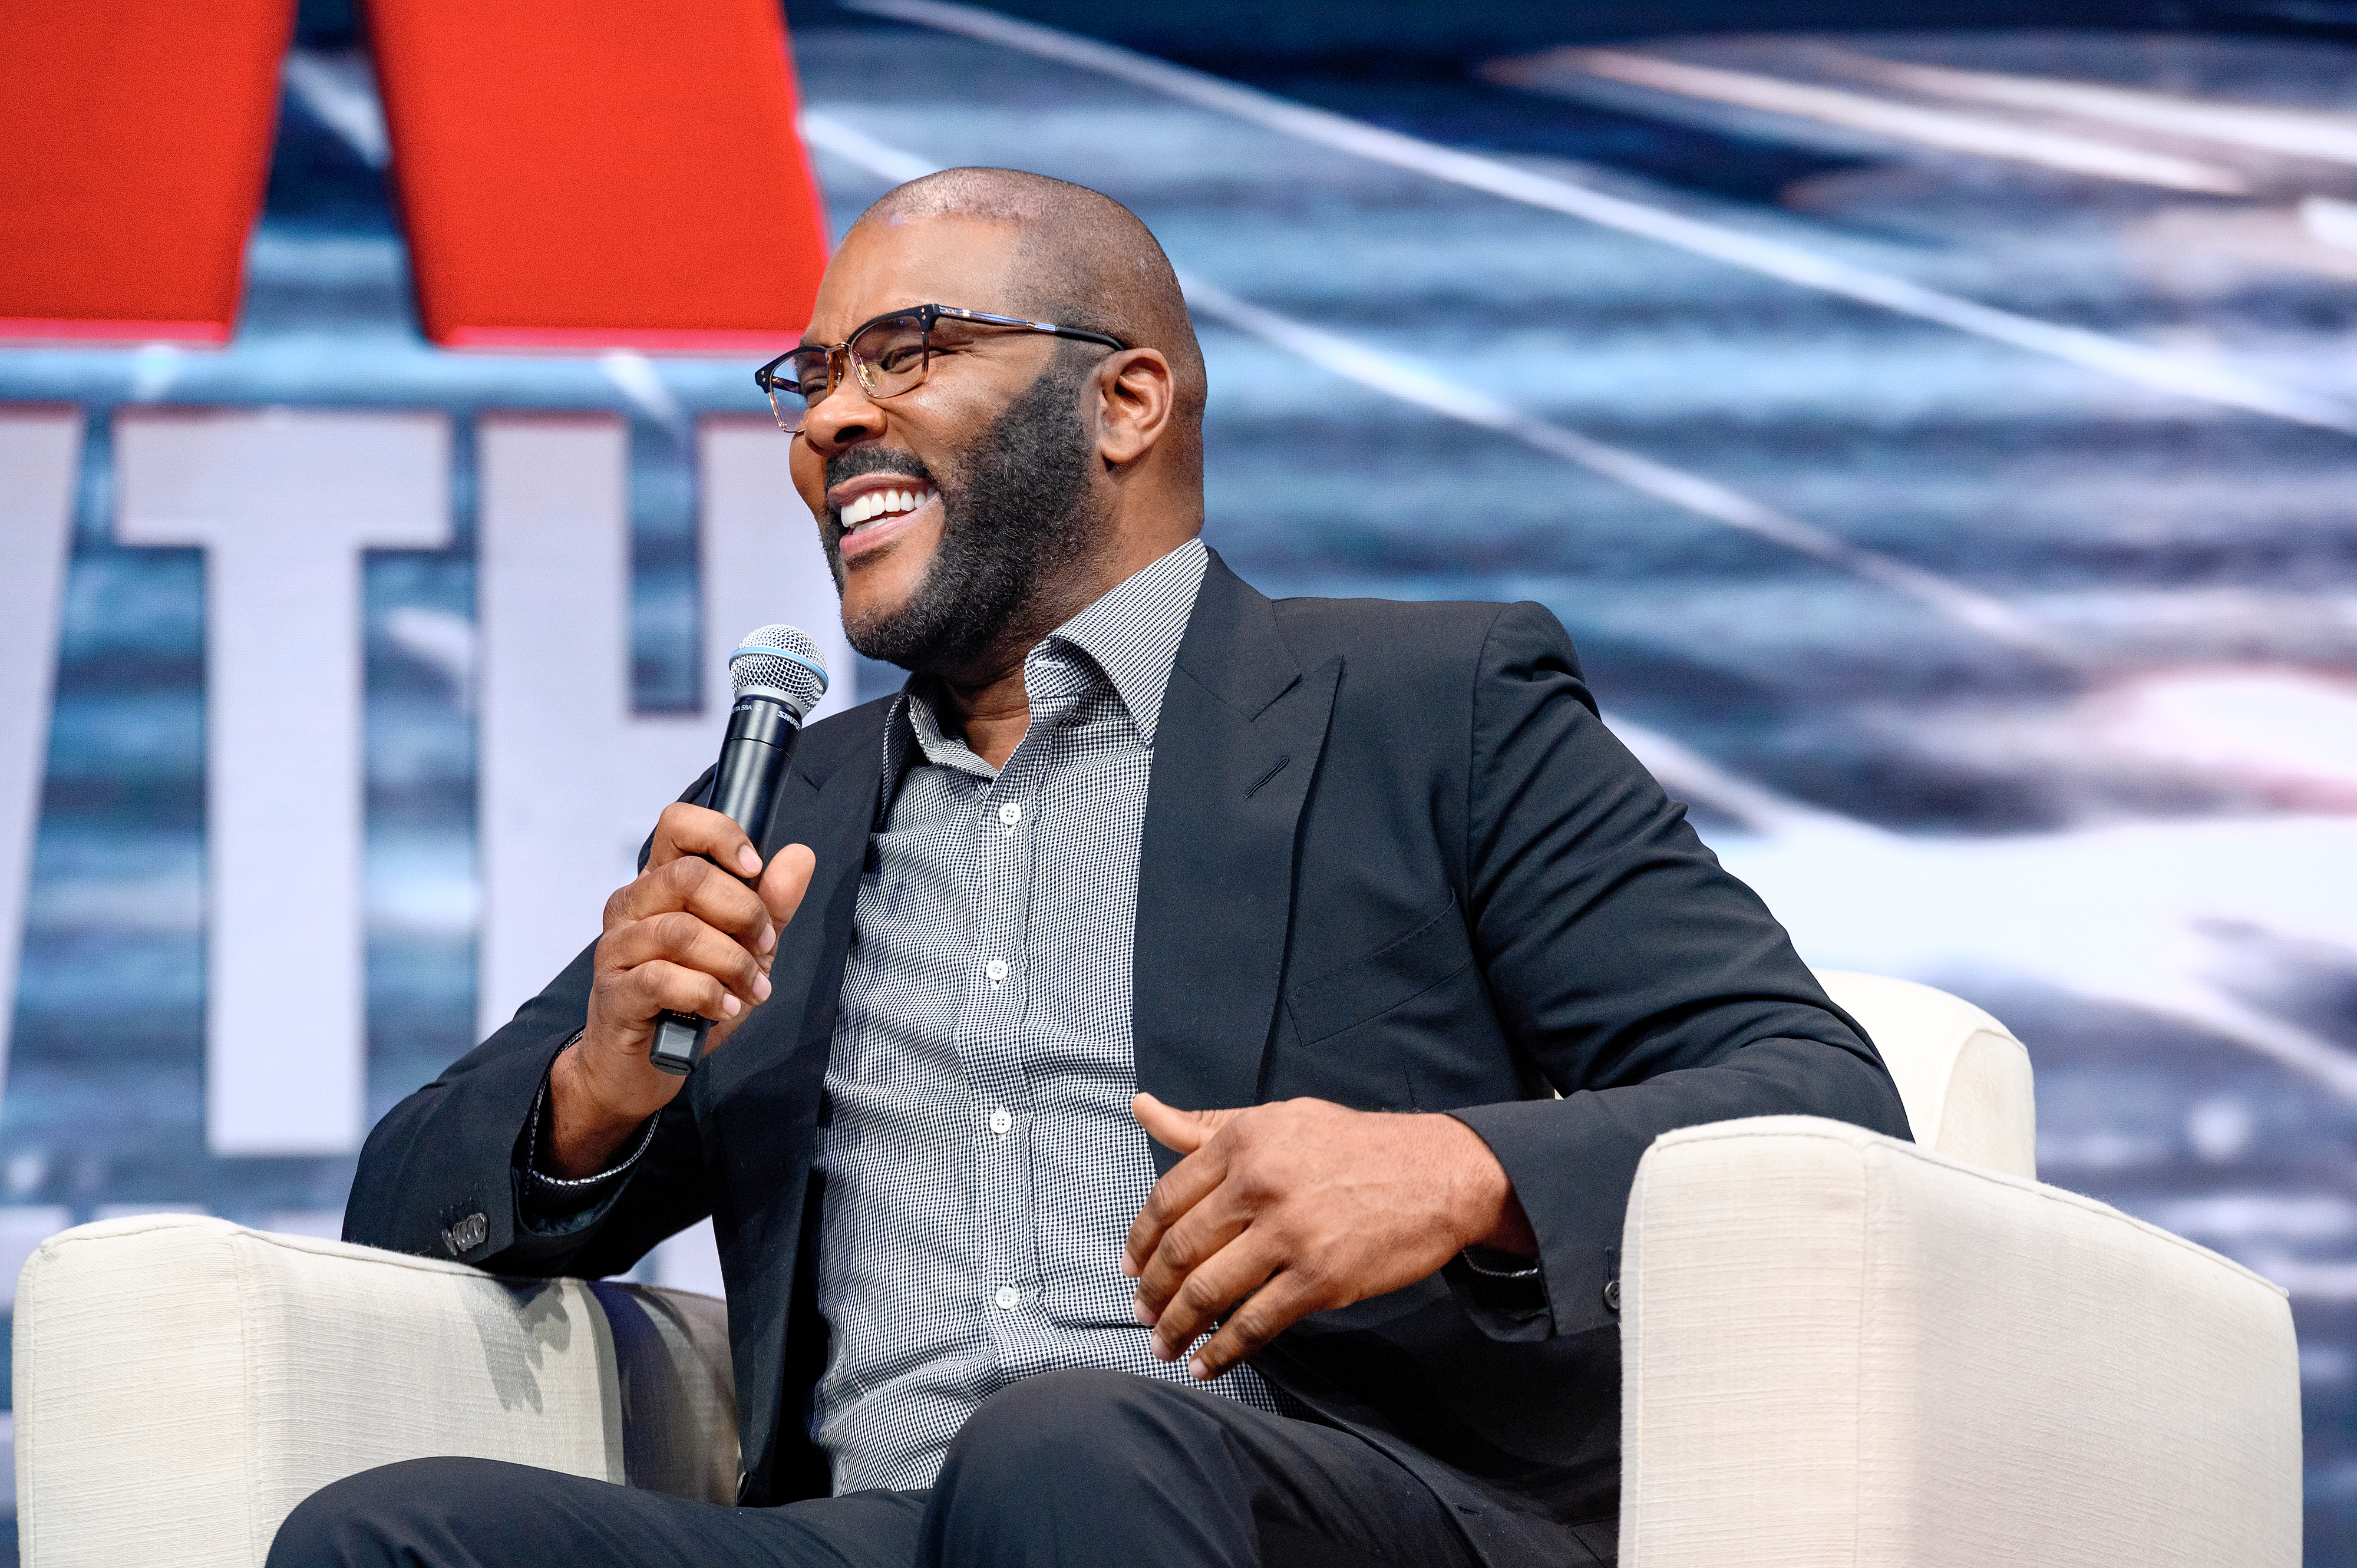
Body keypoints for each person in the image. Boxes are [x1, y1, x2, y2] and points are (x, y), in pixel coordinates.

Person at [278, 168, 1910, 1568]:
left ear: (1126, 401)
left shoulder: (1432, 706)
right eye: (815, 376)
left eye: (908, 352)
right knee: (390, 1536)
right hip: (889, 1523)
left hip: (1328, 1505)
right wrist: (593, 1093)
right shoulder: (789, 808)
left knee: (1067, 1450)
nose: (836, 418)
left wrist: (1451, 1174)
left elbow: (1819, 1096)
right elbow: (407, 1210)